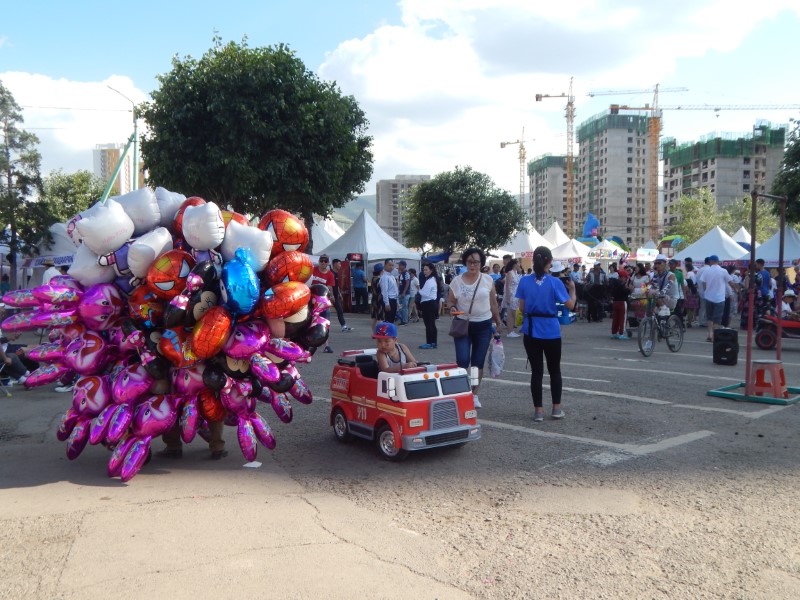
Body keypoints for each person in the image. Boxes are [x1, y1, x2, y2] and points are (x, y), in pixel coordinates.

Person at [516, 246, 576, 422]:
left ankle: (538, 411)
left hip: (531, 329)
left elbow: (521, 307)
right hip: (551, 330)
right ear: (550, 262)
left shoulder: (525, 281)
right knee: (554, 370)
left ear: (534, 260)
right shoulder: (555, 282)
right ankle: (556, 409)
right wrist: (572, 290)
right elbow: (570, 305)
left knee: (537, 372)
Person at [447, 248, 504, 409]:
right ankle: (461, 391)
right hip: (462, 325)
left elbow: (493, 303)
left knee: (477, 363)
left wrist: (498, 320)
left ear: (481, 263)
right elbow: (450, 301)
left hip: (484, 326)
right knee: (463, 360)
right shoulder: (457, 281)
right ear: (465, 262)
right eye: (470, 261)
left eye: (476, 262)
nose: (473, 265)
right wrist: (451, 308)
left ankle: (473, 394)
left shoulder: (487, 280)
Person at [696, 255, 735, 342]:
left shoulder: (706, 271)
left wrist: (706, 292)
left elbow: (704, 283)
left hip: (708, 297)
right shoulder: (723, 271)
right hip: (719, 298)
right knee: (717, 318)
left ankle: (709, 334)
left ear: (711, 261)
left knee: (709, 317)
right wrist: (736, 288)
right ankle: (714, 335)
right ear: (718, 261)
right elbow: (730, 282)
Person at [309, 255, 336, 353]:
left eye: (325, 261)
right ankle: (309, 343)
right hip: (311, 301)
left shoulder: (330, 275)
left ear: (328, 263)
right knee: (310, 321)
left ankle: (326, 345)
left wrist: (332, 297)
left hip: (323, 302)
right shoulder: (313, 270)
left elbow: (330, 288)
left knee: (325, 322)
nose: (323, 262)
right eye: (321, 260)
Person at [418, 263, 441, 349]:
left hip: (428, 304)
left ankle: (429, 343)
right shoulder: (433, 279)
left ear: (431, 270)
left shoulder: (430, 281)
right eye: (424, 270)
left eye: (426, 270)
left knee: (429, 324)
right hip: (431, 303)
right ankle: (433, 342)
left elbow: (425, 293)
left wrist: (418, 290)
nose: (424, 272)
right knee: (432, 324)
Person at [329, 259, 354, 332]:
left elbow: (336, 285)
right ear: (334, 264)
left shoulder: (336, 273)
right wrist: (332, 295)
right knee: (337, 310)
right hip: (331, 296)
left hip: (336, 295)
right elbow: (330, 286)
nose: (340, 266)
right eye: (339, 264)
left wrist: (339, 293)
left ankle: (343, 326)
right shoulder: (331, 273)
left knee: (340, 311)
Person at [503, 259, 522, 338]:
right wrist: (507, 297)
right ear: (515, 264)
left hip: (515, 295)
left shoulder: (515, 273)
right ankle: (510, 331)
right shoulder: (510, 273)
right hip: (511, 295)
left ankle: (511, 331)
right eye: (518, 263)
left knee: (511, 314)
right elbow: (507, 286)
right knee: (512, 313)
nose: (519, 265)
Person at [379, 258, 399, 325]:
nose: (391, 267)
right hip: (389, 300)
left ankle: (390, 334)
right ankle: (387, 334)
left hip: (394, 299)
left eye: (392, 265)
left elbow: (395, 289)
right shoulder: (384, 277)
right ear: (385, 265)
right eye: (389, 265)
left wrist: (397, 301)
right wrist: (387, 303)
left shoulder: (392, 276)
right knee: (389, 320)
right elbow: (384, 291)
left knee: (392, 319)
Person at [396, 260, 412, 325]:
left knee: (404, 307)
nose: (399, 266)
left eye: (400, 265)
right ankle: (403, 320)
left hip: (405, 294)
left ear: (403, 266)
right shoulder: (401, 273)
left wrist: (404, 292)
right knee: (401, 307)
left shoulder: (406, 273)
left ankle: (405, 321)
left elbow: (407, 283)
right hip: (401, 293)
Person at [370, 263, 385, 328]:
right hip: (380, 299)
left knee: (374, 318)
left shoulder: (373, 279)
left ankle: (374, 333)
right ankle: (380, 334)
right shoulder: (380, 280)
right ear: (381, 271)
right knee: (380, 318)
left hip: (374, 299)